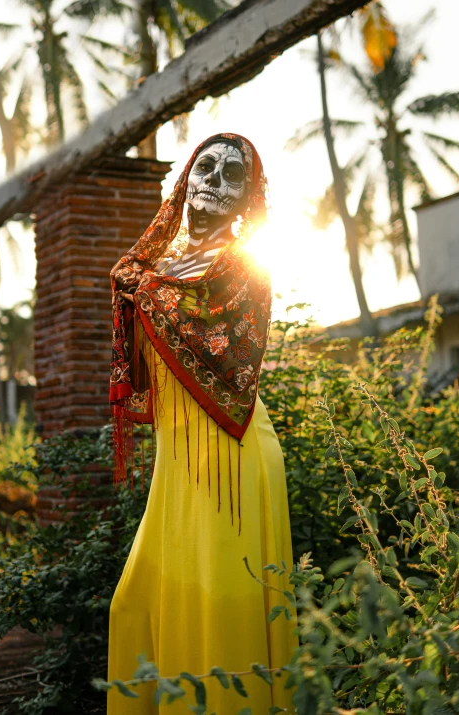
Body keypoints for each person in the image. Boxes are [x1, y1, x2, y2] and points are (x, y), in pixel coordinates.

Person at [107, 133, 297, 714]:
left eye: (231, 174)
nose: (213, 179)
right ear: (185, 178)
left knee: (223, 604)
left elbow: (221, 348)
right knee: (135, 602)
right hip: (177, 456)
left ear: (246, 199)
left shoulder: (241, 267)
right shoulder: (154, 266)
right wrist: (134, 287)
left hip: (230, 450)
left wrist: (145, 291)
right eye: (205, 166)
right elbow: (141, 348)